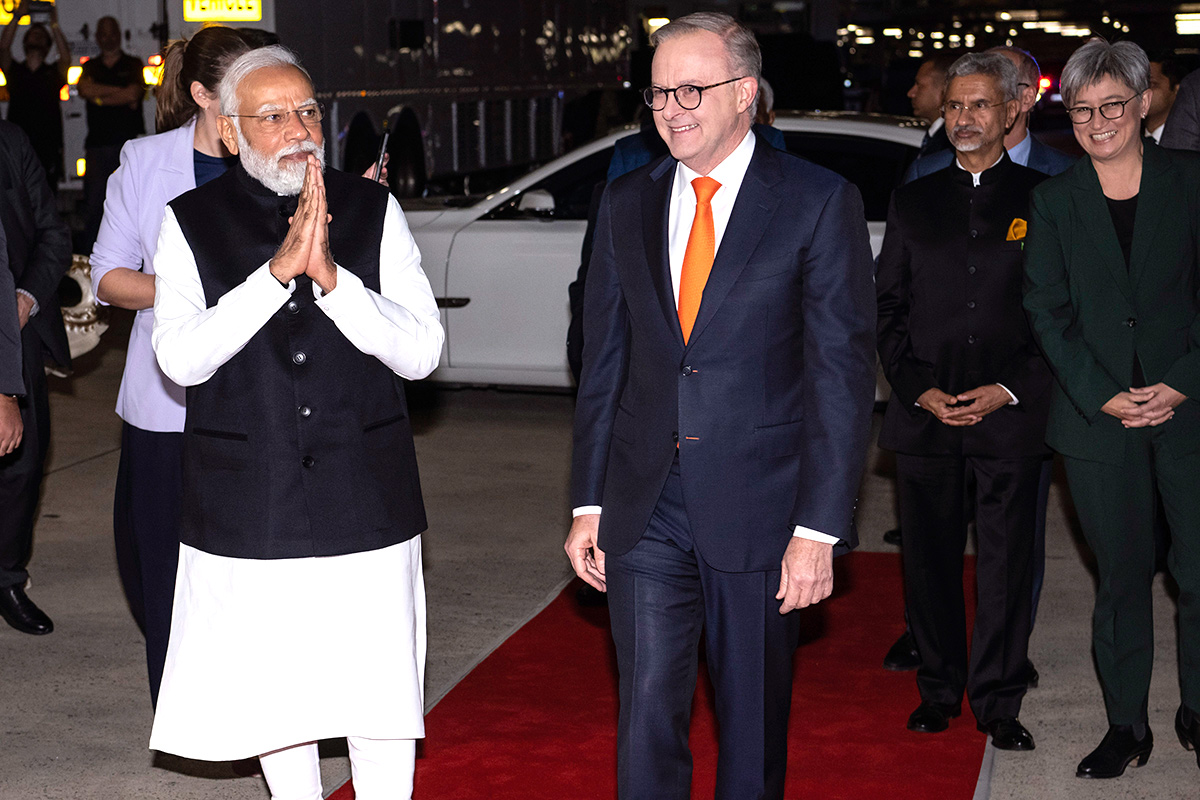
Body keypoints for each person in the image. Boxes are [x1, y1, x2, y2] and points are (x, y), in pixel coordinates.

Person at [565, 13, 876, 799]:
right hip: (643, 507)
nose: (673, 108)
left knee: (751, 725)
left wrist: (819, 529)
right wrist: (589, 500)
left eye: (693, 90)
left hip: (763, 510)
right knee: (645, 720)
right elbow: (603, 363)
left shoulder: (816, 200)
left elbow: (840, 375)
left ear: (744, 94)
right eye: (661, 91)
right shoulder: (624, 201)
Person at [147, 46, 443, 799]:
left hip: (366, 495)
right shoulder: (189, 223)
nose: (297, 129)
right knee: (278, 695)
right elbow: (180, 360)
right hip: (252, 498)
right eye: (273, 116)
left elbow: (422, 353)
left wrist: (334, 281)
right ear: (230, 131)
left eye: (307, 111)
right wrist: (274, 276)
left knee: (379, 695)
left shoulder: (375, 210)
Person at [1024, 37, 1200, 779]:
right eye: (1083, 110)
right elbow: (1046, 308)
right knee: (1122, 580)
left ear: (1144, 103)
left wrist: (1184, 379)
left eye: (1112, 107)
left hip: (1188, 413)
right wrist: (1103, 392)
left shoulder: (1191, 181)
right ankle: (1126, 725)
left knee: (1197, 574)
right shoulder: (1054, 200)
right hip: (1097, 423)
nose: (1098, 123)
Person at [876, 52, 1051, 751]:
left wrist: (1009, 389)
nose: (965, 118)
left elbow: (1057, 314)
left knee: (1008, 566)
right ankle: (940, 690)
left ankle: (999, 700)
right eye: (954, 106)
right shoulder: (913, 200)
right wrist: (918, 388)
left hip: (1011, 418)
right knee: (930, 565)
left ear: (1012, 111)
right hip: (926, 418)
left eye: (980, 105)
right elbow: (887, 306)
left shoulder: (1047, 198)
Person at [90, 25, 257, 708]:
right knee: (156, 559)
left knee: (250, 562)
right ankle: (182, 705)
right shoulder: (144, 159)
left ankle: (255, 699)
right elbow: (108, 277)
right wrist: (196, 294)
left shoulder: (278, 154)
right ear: (201, 94)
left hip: (260, 396)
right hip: (168, 398)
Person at [0, 121, 72, 636]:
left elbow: (53, 231)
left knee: (23, 463)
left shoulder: (10, 142)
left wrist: (25, 300)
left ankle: (6, 577)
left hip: (13, 321)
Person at [78, 16, 145, 252]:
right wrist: (120, 93)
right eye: (103, 33)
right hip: (96, 146)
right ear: (97, 37)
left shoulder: (134, 63)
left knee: (128, 205)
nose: (108, 37)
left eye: (112, 32)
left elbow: (134, 94)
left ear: (120, 33)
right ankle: (88, 261)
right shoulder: (89, 67)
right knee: (94, 206)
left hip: (126, 147)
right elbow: (84, 89)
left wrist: (99, 97)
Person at [0, 0, 71, 189]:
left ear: (48, 46)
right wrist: (17, 15)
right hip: (18, 145)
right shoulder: (15, 71)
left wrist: (54, 24)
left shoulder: (54, 73)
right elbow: (3, 48)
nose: (37, 38)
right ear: (25, 42)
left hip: (47, 146)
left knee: (46, 196)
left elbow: (65, 57)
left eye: (42, 36)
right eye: (33, 34)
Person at [908, 54, 955, 158]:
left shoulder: (950, 144)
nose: (911, 93)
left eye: (919, 85)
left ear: (944, 90)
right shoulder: (939, 137)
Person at [1145, 55, 1183, 143]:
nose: (1141, 91)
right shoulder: (1127, 140)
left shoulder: (1187, 141)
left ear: (1176, 90)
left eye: (1151, 84)